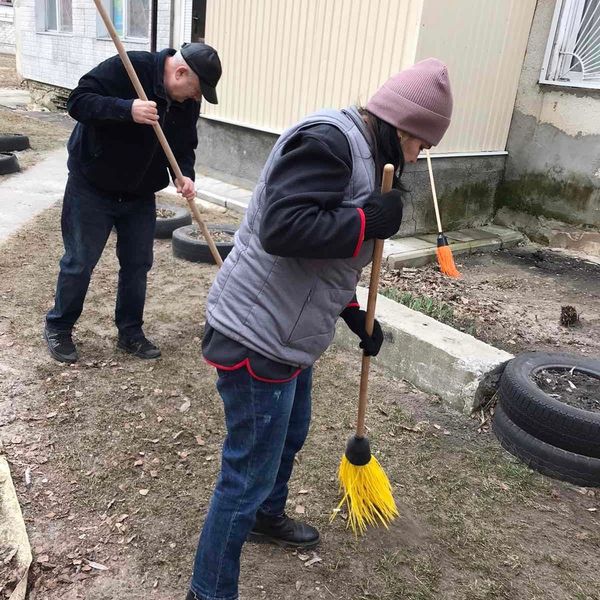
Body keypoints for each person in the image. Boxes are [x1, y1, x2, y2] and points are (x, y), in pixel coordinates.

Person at [187, 58, 453, 600]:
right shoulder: (329, 143)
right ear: (403, 127)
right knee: (246, 474)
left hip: (291, 333)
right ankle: (208, 591)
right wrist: (367, 221)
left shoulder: (367, 155)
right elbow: (283, 228)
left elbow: (324, 262)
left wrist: (354, 315)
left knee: (291, 432)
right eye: (420, 144)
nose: (416, 157)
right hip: (256, 335)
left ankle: (266, 516)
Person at [44, 43, 222, 363]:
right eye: (196, 91)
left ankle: (130, 332)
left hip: (139, 194)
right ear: (180, 73)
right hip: (92, 187)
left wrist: (184, 174)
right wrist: (126, 109)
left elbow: (184, 145)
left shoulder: (185, 103)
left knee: (137, 265)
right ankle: (59, 326)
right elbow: (78, 102)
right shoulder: (128, 68)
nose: (196, 98)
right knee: (79, 261)